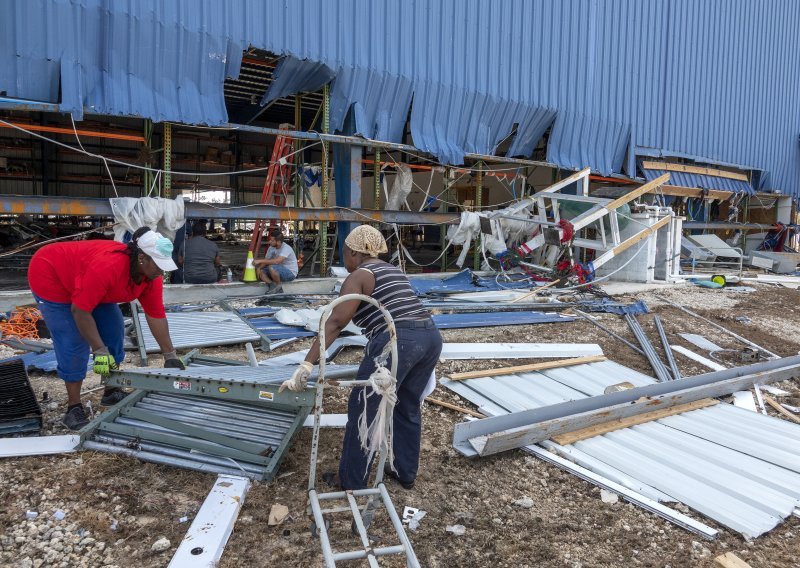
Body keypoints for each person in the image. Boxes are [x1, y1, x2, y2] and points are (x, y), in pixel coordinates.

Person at [280, 225, 442, 490]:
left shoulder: (359, 275)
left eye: (344, 253)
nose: (343, 260)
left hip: (397, 340)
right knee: (406, 405)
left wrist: (306, 364)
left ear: (354, 252)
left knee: (364, 409)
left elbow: (335, 322)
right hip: (430, 337)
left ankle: (352, 480)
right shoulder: (394, 271)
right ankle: (404, 471)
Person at [28, 227, 186, 431]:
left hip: (89, 281)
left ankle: (111, 391)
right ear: (141, 258)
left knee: (114, 330)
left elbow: (155, 314)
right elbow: (80, 311)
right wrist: (98, 350)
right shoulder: (109, 266)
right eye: (158, 265)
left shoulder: (151, 276)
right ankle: (73, 408)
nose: (161, 271)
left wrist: (169, 355)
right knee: (73, 340)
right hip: (52, 274)